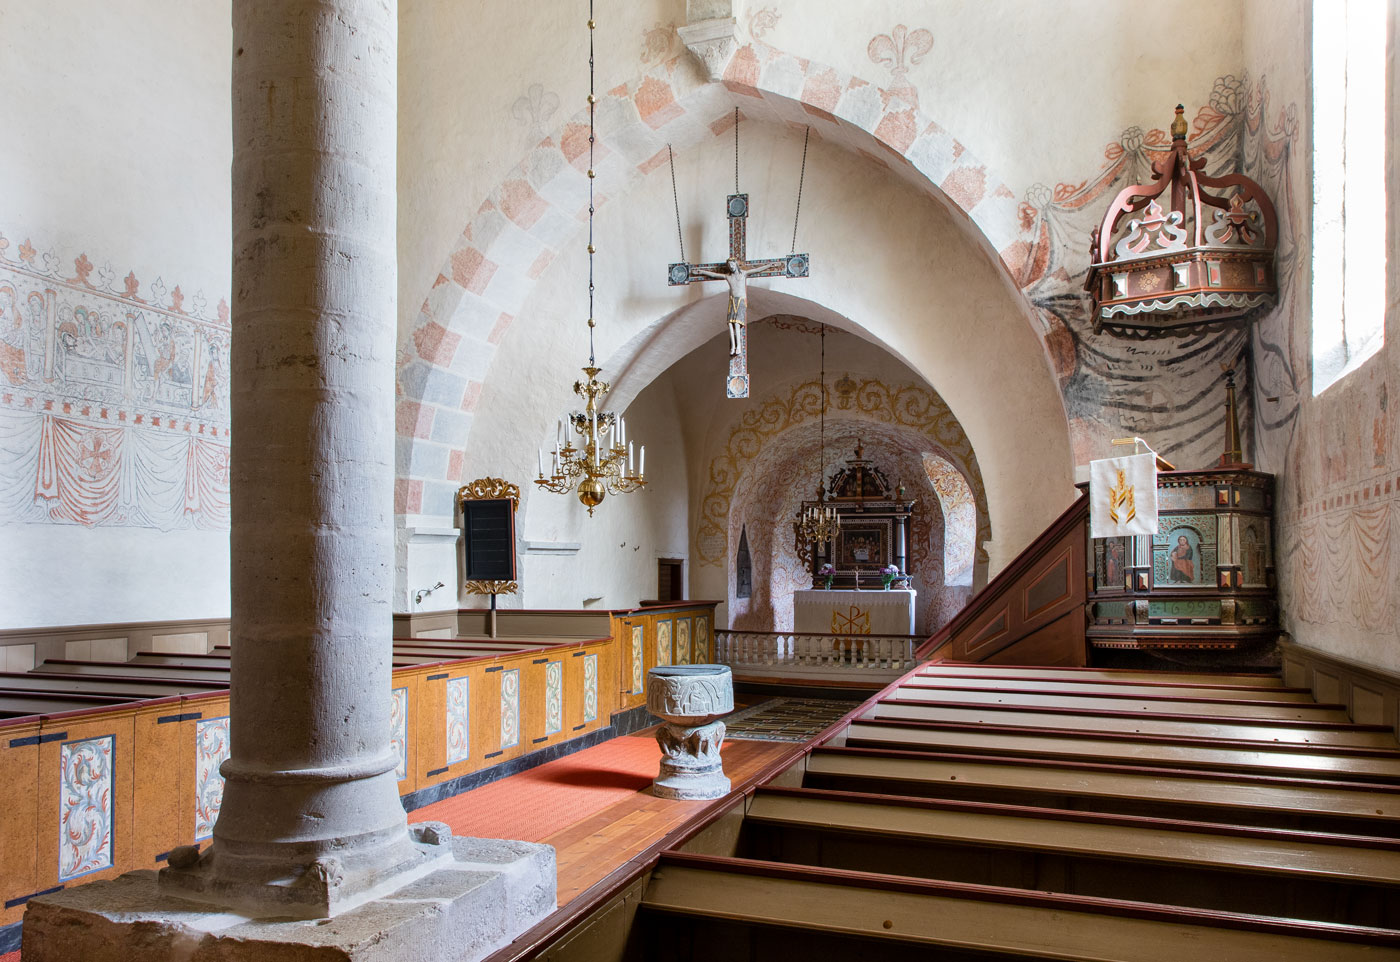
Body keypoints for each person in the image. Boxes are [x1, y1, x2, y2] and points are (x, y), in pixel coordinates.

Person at [692, 258, 769, 357]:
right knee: (730, 324)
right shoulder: (728, 277)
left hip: (741, 301)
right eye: (729, 266)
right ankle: (733, 346)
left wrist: (769, 266)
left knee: (737, 324)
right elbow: (714, 275)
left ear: (736, 264)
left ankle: (739, 347)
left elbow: (757, 270)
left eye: (732, 265)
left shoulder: (743, 274)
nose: (731, 267)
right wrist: (701, 271)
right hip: (732, 301)